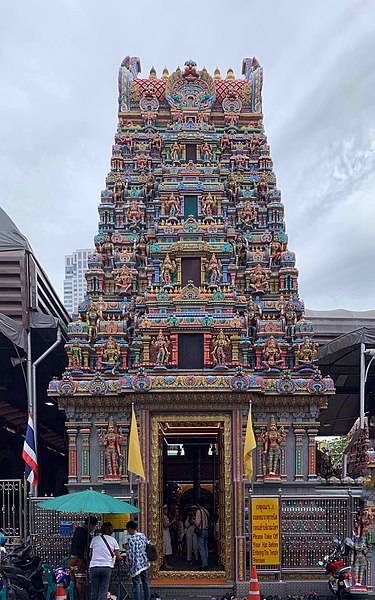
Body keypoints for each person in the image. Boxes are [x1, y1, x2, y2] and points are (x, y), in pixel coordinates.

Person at [68, 516, 98, 600]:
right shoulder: (86, 534)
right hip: (78, 561)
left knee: (73, 580)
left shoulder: (78, 530)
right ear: (90, 525)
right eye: (94, 526)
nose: (93, 529)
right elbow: (87, 548)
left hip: (71, 559)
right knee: (79, 582)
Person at [89, 522, 121, 600]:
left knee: (94, 590)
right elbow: (118, 556)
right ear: (111, 530)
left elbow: (90, 554)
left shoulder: (95, 539)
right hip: (106, 567)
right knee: (104, 590)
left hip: (94, 567)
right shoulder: (113, 540)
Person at [125, 520, 151, 600]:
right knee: (145, 582)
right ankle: (147, 598)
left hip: (136, 565)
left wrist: (128, 564)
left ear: (130, 529)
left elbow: (131, 555)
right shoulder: (143, 536)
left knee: (136, 584)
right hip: (144, 563)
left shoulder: (131, 539)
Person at [195, 499, 210, 570]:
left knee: (201, 548)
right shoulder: (206, 511)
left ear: (198, 504)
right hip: (206, 531)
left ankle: (204, 565)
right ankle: (206, 562)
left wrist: (193, 521)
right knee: (205, 547)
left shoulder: (199, 511)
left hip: (201, 531)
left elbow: (197, 523)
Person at [162, 504, 176, 569]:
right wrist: (172, 522)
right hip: (164, 533)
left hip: (166, 533)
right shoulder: (162, 517)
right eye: (166, 509)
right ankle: (165, 564)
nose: (167, 511)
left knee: (166, 548)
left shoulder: (165, 516)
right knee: (164, 548)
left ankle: (166, 563)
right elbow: (166, 525)